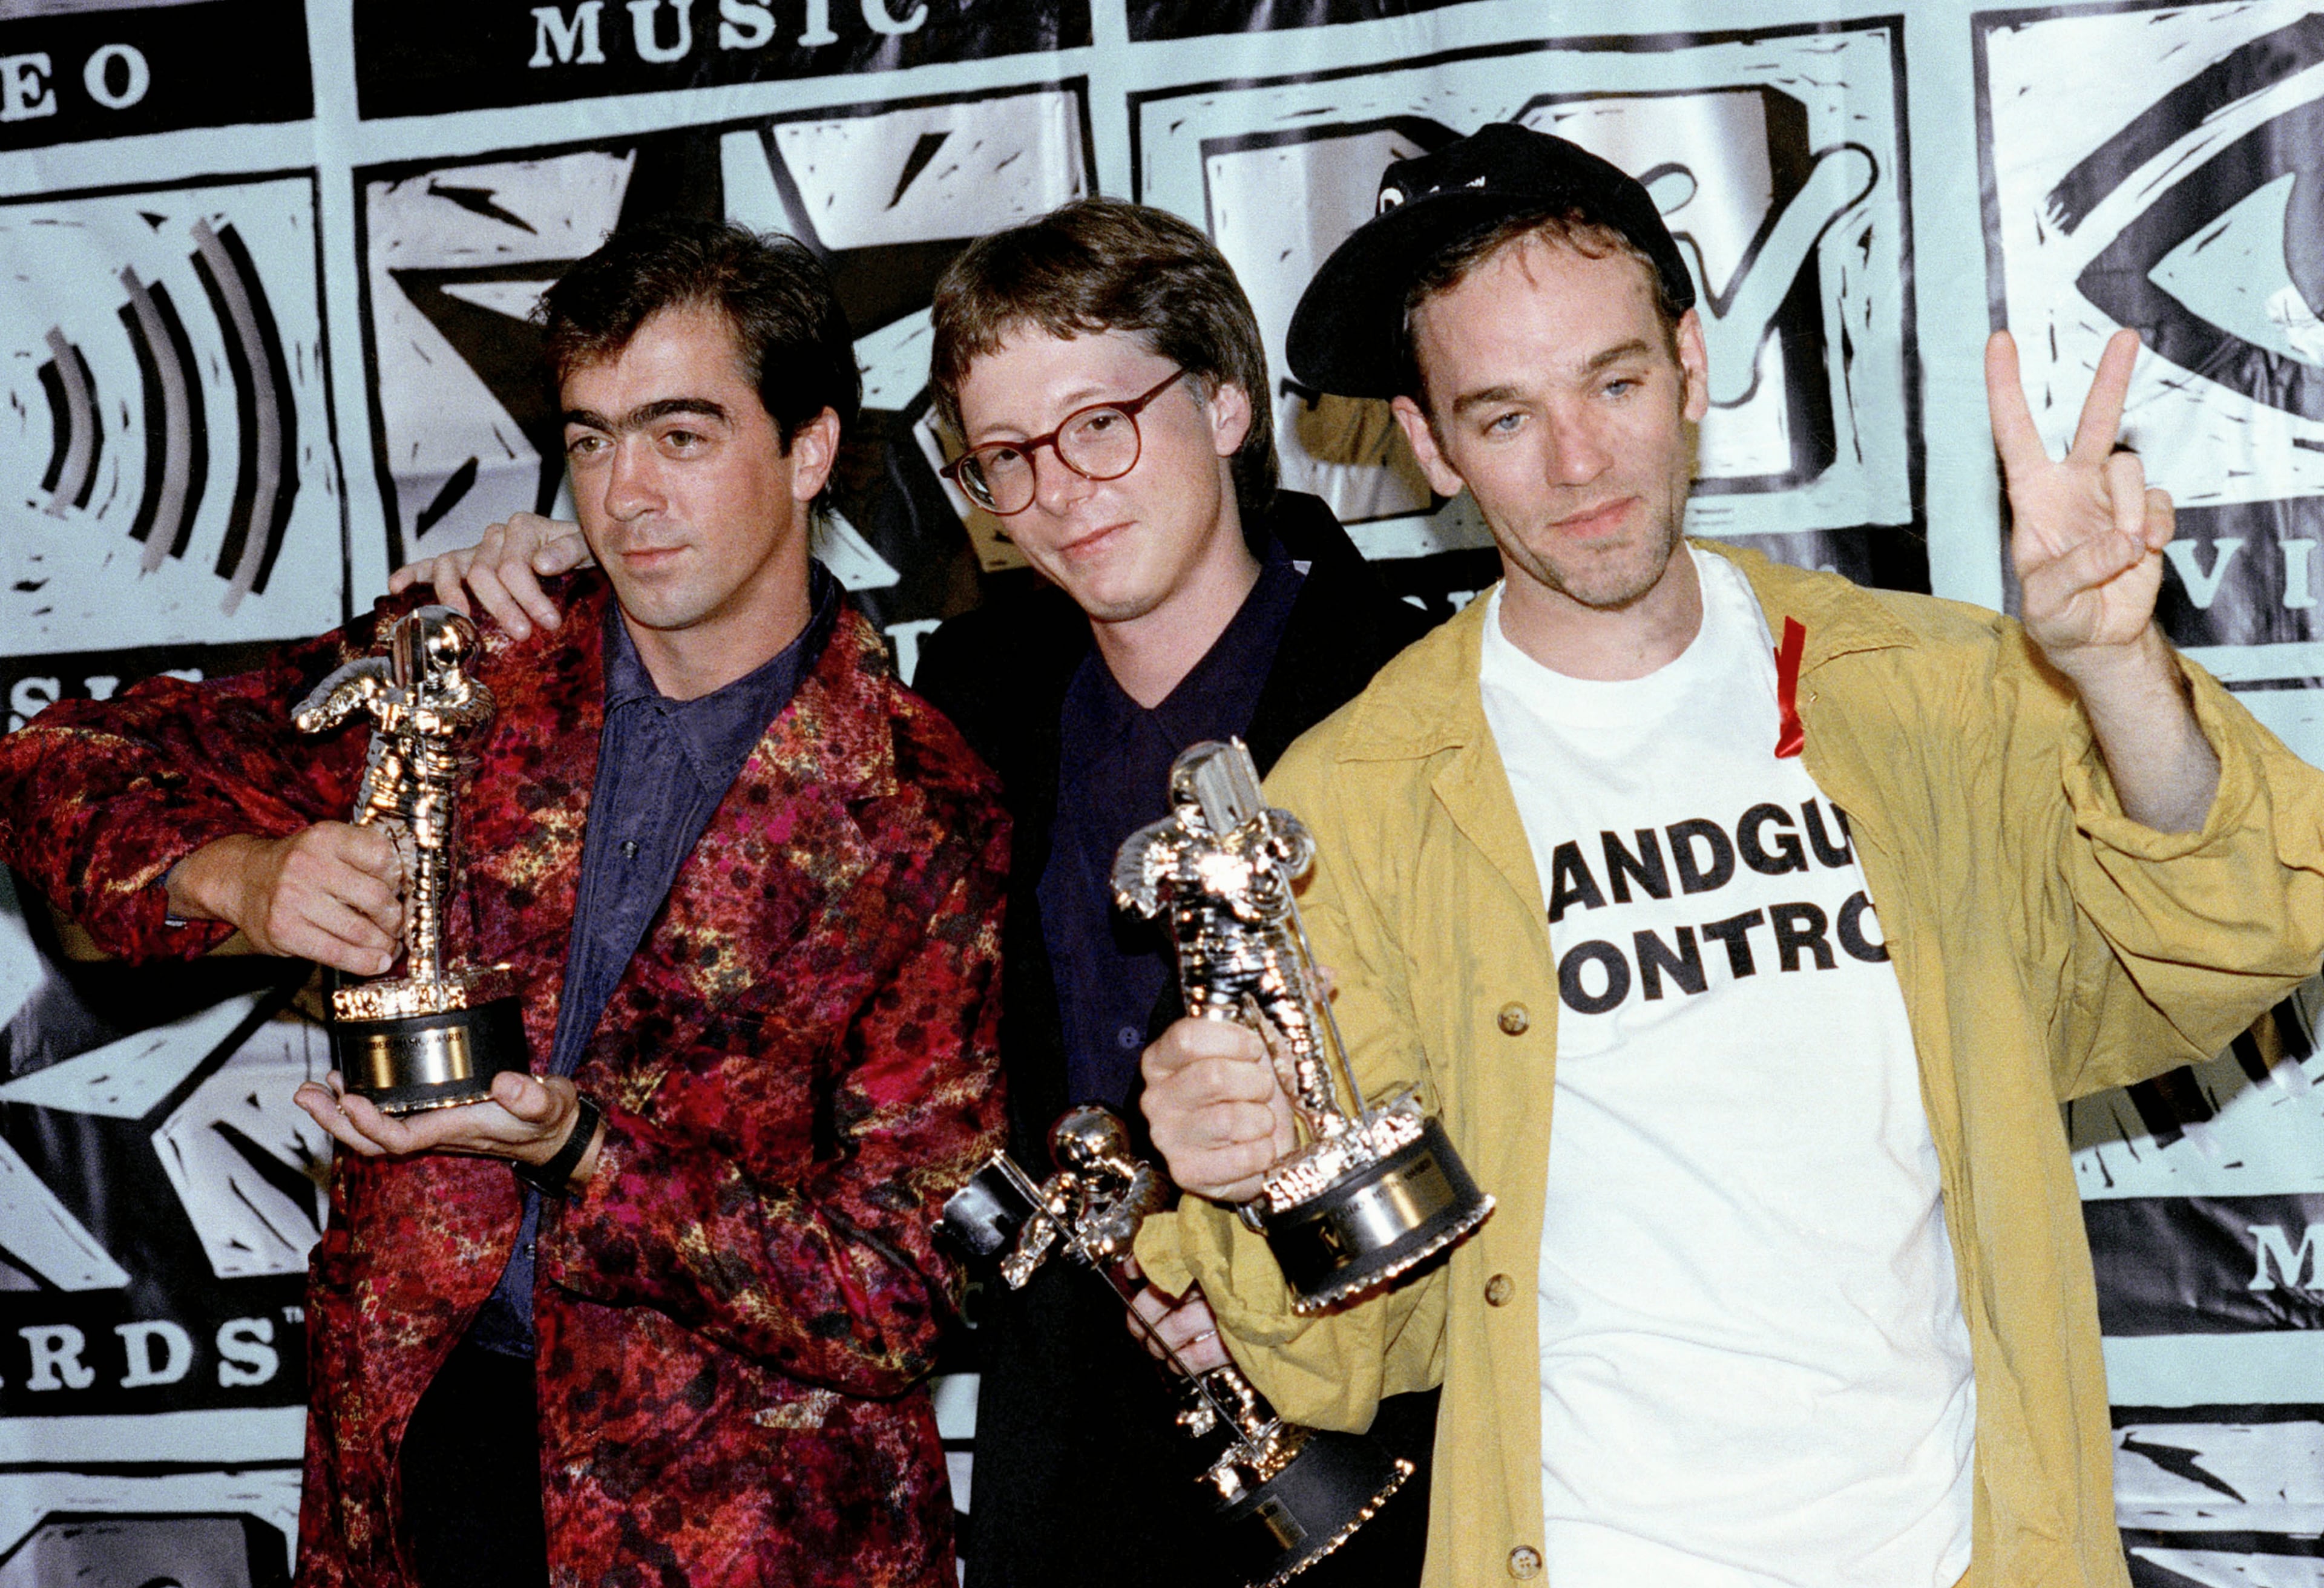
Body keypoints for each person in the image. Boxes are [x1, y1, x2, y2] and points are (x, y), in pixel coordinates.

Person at [1131, 123, 2324, 1588]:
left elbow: (2243, 935)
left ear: (1693, 363)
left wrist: (2118, 669)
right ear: (1431, 446)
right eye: (1504, 417)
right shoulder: (1356, 808)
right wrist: (1247, 1171)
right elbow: (1359, 1353)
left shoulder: (1930, 691)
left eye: (1615, 382)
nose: (1580, 462)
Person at [398, 197, 1437, 1588]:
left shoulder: (1410, 698)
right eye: (1005, 456)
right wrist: (561, 556)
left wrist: (1289, 1293)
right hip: (1072, 1456)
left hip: (1384, 1430)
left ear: (1229, 404)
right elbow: (730, 598)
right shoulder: (971, 702)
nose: (1061, 490)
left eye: (1100, 425)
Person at [0, 219, 1008, 1588]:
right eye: (591, 440)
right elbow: (54, 761)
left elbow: (903, 1290)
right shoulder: (474, 662)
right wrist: (242, 874)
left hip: (738, 1515)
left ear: (812, 448)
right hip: (423, 1463)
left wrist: (592, 1152)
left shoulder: (918, 807)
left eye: (682, 435)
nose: (626, 494)